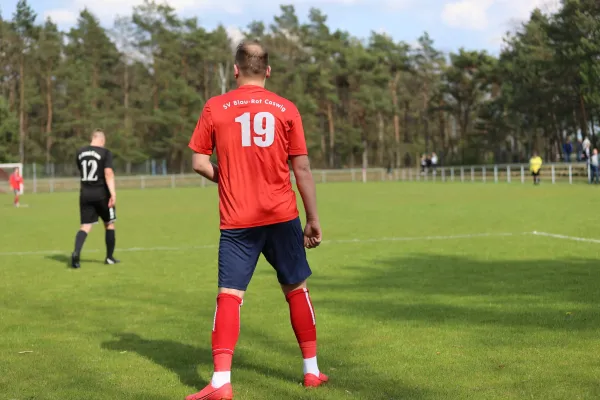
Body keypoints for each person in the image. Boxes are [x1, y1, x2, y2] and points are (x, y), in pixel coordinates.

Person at [186, 40, 327, 400]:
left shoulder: (215, 107)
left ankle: (221, 382)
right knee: (296, 288)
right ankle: (311, 371)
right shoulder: (286, 108)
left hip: (238, 220)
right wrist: (312, 218)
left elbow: (199, 163)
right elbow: (303, 168)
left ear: (235, 70)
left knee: (229, 297)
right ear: (267, 70)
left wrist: (229, 177)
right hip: (282, 215)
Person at [71, 130, 119, 268]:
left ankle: (76, 253)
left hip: (85, 193)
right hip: (102, 194)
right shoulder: (105, 153)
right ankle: (109, 258)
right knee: (109, 223)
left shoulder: (80, 152)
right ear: (102, 141)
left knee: (85, 226)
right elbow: (108, 173)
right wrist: (113, 193)